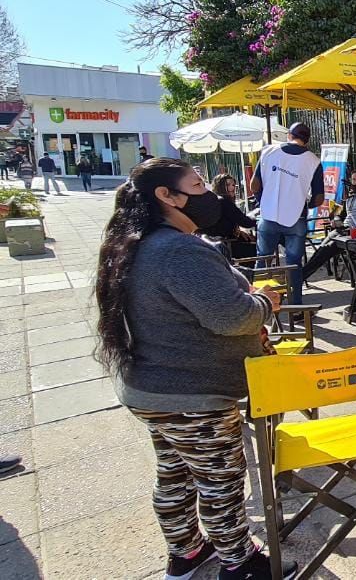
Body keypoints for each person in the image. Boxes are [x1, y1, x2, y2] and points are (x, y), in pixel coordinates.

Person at [94, 158, 297, 580]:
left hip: (152, 390)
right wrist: (264, 303)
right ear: (166, 196)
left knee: (175, 474)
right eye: (197, 184)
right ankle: (240, 563)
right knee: (220, 479)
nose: (209, 194)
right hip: (192, 394)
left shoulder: (139, 242)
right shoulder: (178, 248)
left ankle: (186, 552)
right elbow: (231, 317)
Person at [250, 122, 324, 305]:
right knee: (293, 265)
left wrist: (263, 200)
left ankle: (261, 305)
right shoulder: (313, 161)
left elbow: (254, 185)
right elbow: (319, 199)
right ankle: (296, 307)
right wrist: (303, 203)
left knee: (263, 261)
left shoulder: (268, 151)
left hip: (268, 215)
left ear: (289, 136)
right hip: (296, 219)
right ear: (307, 140)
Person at [302, 170, 356, 281]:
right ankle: (301, 275)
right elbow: (339, 213)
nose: (355, 182)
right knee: (320, 249)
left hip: (355, 233)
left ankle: (300, 277)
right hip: (342, 229)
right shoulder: (350, 196)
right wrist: (336, 219)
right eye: (354, 179)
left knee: (325, 251)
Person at [200, 173, 258, 260]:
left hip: (219, 243)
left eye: (233, 185)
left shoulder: (215, 200)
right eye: (228, 185)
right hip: (226, 245)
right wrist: (258, 218)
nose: (232, 188)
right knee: (259, 249)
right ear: (220, 186)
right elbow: (246, 222)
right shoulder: (224, 202)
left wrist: (239, 231)